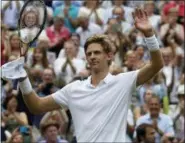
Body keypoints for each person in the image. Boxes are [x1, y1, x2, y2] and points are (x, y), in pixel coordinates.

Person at [1, 8, 164, 142]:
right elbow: (36, 106)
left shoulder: (123, 81)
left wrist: (149, 34)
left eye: (97, 52)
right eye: (89, 53)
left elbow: (157, 65)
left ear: (109, 56)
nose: (92, 56)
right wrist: (23, 79)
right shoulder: (73, 89)